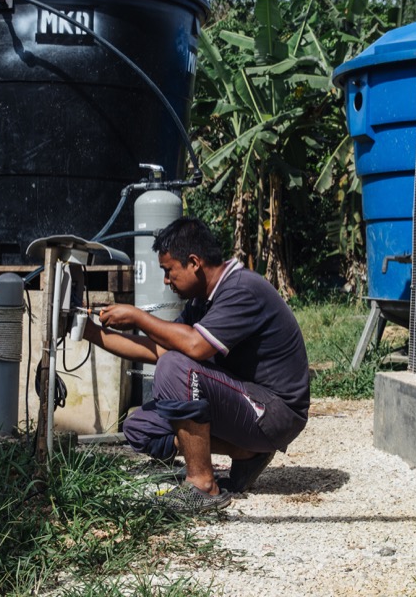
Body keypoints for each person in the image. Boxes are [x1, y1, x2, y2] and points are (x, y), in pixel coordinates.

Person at [82, 217, 310, 512]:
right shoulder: (202, 301)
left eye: (168, 271)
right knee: (141, 428)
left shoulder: (241, 289)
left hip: (277, 412)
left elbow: (193, 346)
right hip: (245, 399)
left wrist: (138, 317)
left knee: (176, 367)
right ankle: (246, 451)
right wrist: (90, 332)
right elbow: (159, 348)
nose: (166, 281)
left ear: (193, 262)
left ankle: (203, 485)